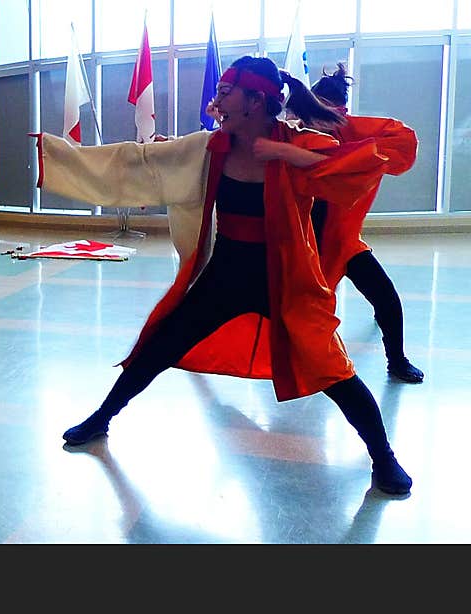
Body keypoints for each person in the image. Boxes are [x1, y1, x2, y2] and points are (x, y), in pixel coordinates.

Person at [34, 56, 413, 496]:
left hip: (286, 282)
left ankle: (383, 458)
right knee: (161, 345)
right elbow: (137, 161)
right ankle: (102, 418)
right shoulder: (210, 147)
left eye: (225, 92)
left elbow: (385, 151)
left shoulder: (298, 143)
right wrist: (59, 156)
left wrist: (284, 152)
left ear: (255, 101)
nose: (216, 100)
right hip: (226, 274)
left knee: (333, 371)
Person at [286, 64, 423, 383]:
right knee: (295, 306)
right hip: (305, 244)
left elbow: (403, 141)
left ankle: (397, 360)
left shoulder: (351, 132)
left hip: (342, 242)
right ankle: (294, 356)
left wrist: (356, 147)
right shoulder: (296, 136)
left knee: (385, 297)